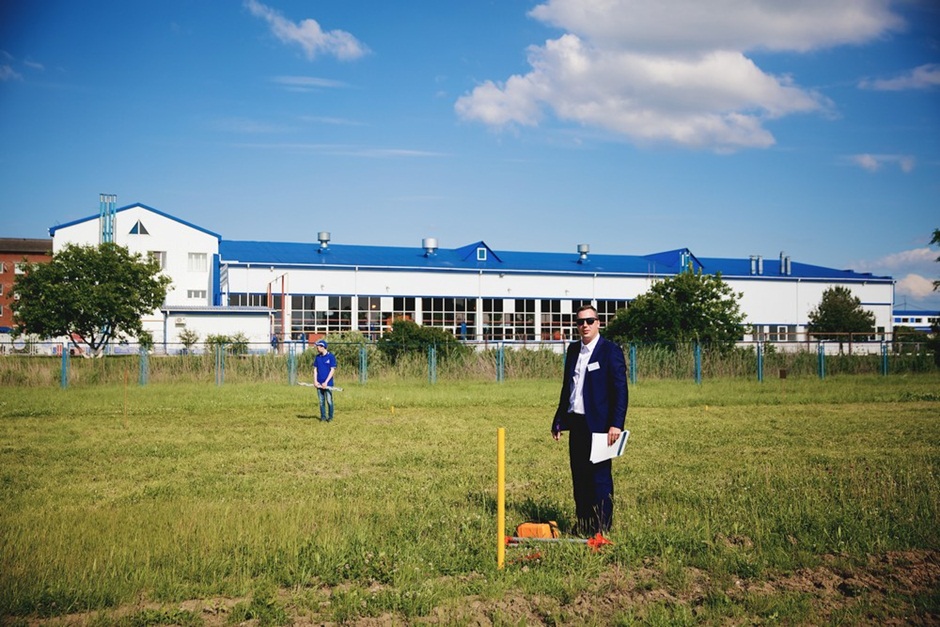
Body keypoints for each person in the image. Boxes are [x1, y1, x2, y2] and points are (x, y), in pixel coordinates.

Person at [551, 305, 628, 536]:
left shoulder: (610, 351)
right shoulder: (574, 350)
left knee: (600, 478)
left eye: (589, 321)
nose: (585, 325)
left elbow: (620, 391)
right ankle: (583, 524)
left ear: (598, 323)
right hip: (577, 423)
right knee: (580, 476)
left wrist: (616, 424)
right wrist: (559, 419)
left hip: (601, 426)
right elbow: (568, 388)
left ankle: (601, 528)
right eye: (580, 322)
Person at [313, 339, 337, 422]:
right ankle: (323, 417)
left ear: (323, 347)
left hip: (328, 384)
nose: (317, 348)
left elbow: (332, 370)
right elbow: (315, 370)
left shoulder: (331, 357)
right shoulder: (317, 357)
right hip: (319, 383)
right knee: (321, 401)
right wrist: (315, 381)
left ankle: (330, 417)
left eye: (318, 347)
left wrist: (326, 382)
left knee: (329, 401)